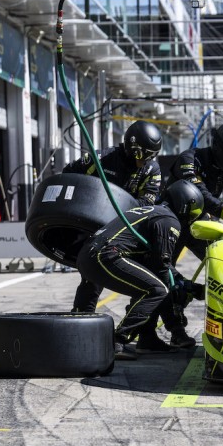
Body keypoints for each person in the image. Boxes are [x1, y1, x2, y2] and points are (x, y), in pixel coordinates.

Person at [63, 121, 173, 347]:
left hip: (131, 231)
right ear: (132, 148)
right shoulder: (101, 158)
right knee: (92, 278)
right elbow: (68, 175)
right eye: (145, 155)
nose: (148, 160)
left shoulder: (152, 169)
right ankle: (80, 326)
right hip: (99, 229)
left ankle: (147, 335)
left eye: (153, 155)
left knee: (150, 279)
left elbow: (147, 202)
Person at [76, 180, 204, 360]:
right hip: (105, 255)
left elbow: (155, 267)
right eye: (194, 213)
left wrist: (184, 285)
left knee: (149, 284)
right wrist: (189, 290)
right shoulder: (169, 220)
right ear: (185, 205)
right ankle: (117, 340)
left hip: (87, 254)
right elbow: (162, 267)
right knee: (158, 290)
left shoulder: (151, 211)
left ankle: (148, 339)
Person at [167, 121, 223, 264]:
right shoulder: (190, 159)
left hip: (199, 223)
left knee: (222, 262)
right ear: (218, 145)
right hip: (171, 220)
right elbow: (200, 195)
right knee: (163, 269)